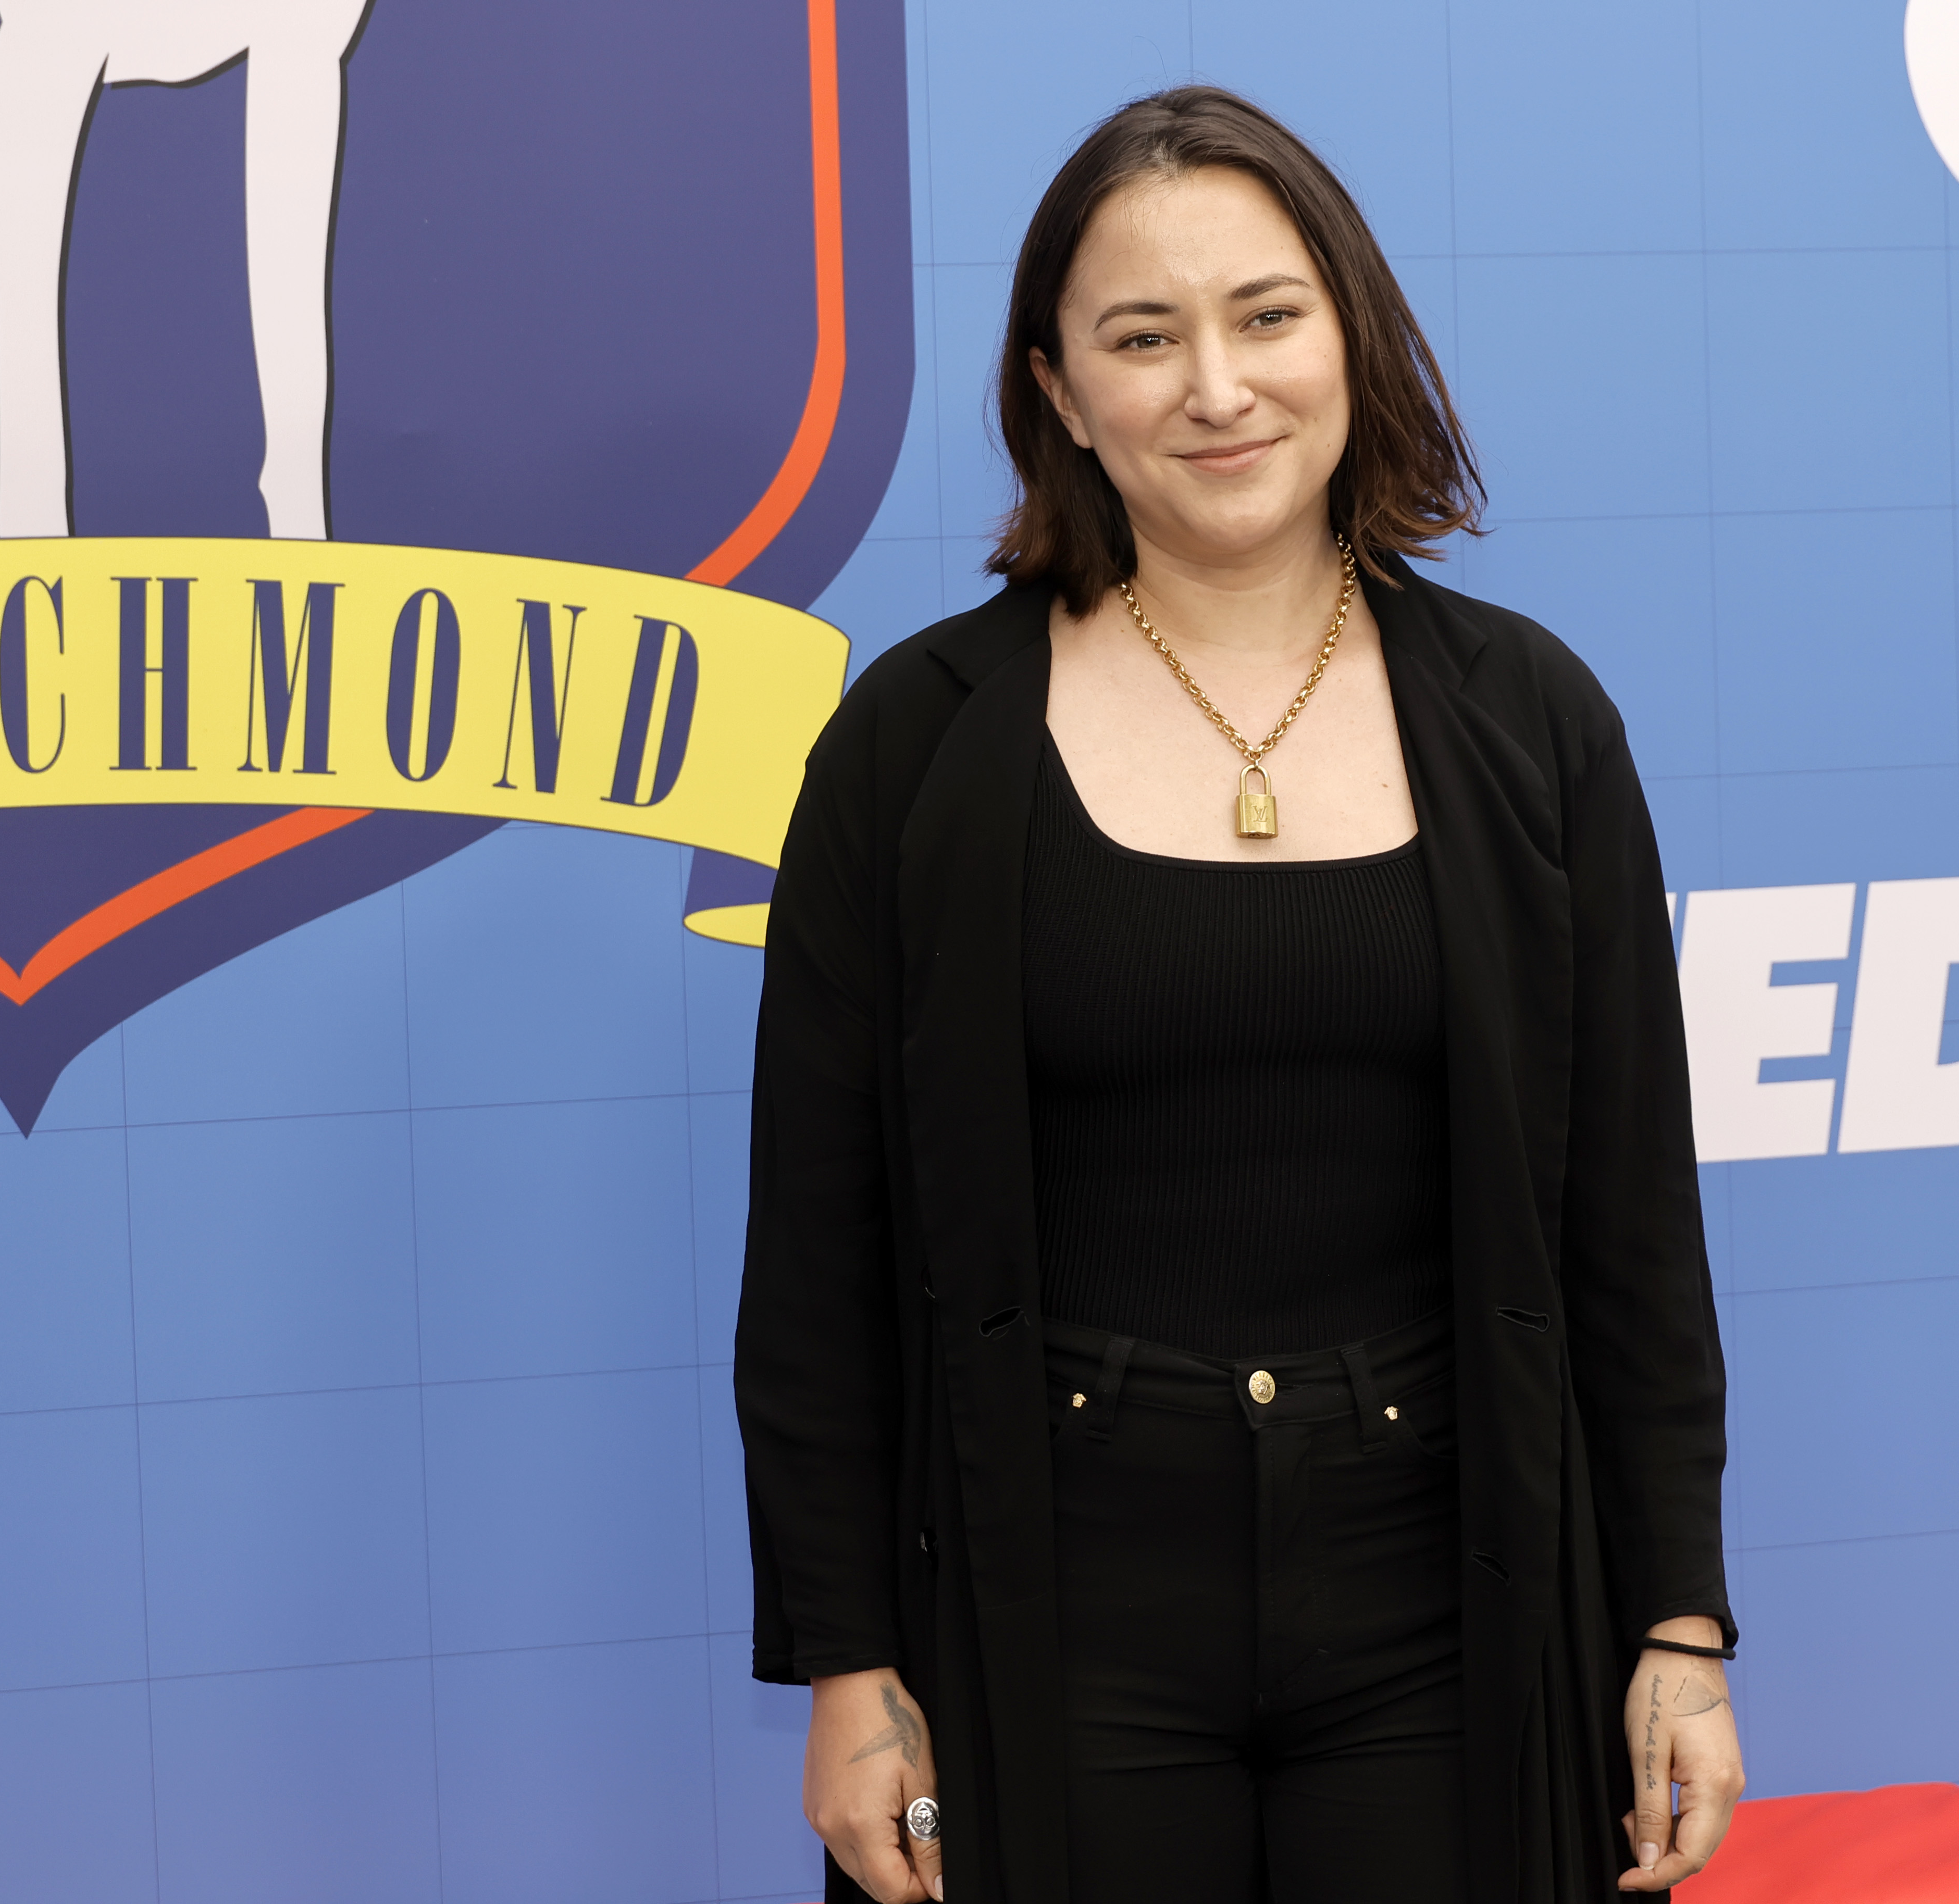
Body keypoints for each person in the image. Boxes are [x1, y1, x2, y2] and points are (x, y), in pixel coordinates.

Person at [737, 84, 1741, 1904]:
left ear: (1351, 334)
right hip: (1052, 1595)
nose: (1218, 387)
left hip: (1450, 1586)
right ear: (1058, 393)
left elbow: (1631, 1231)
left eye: (1269, 316)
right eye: (1143, 337)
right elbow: (820, 1251)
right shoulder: (918, 745)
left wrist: (1680, 1627)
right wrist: (846, 1663)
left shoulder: (1534, 726)